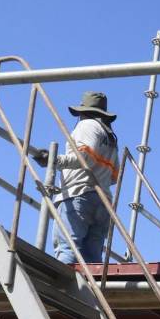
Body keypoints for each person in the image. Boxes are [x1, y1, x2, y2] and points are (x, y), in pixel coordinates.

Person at [33, 91, 119, 264]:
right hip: (103, 201)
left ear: (83, 112)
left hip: (78, 194)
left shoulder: (86, 126)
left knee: (68, 249)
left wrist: (53, 159)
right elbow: (114, 177)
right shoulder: (110, 138)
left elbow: (82, 158)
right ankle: (89, 291)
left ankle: (61, 290)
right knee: (92, 259)